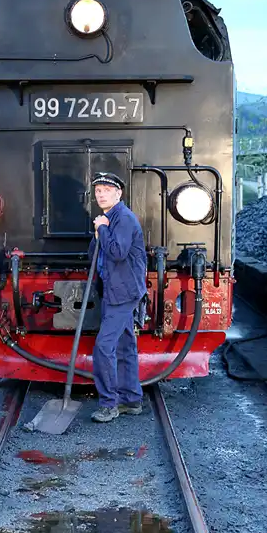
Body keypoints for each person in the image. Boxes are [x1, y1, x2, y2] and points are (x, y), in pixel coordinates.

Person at [88, 171, 147, 423]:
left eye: (107, 191)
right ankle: (131, 399)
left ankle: (109, 404)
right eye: (98, 191)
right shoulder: (108, 218)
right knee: (125, 344)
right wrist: (99, 233)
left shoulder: (123, 218)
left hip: (123, 292)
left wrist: (102, 228)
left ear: (118, 193)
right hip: (114, 289)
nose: (101, 195)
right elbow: (95, 253)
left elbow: (118, 252)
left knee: (104, 346)